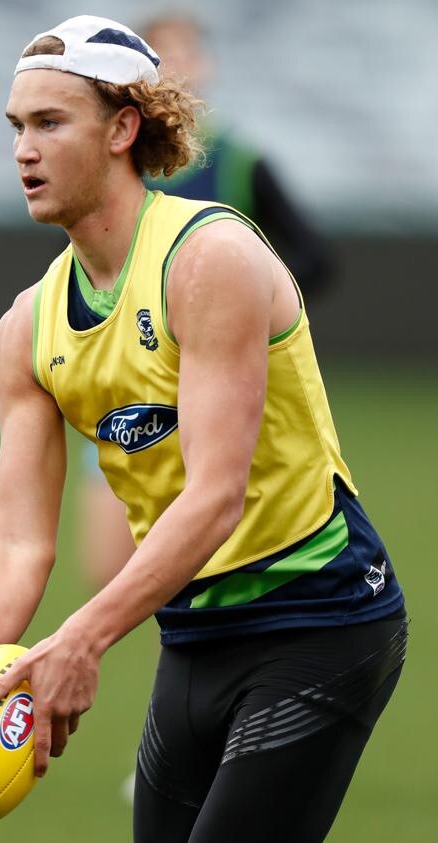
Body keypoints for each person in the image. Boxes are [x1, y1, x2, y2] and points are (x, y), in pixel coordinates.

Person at [0, 16, 406, 843]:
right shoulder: (25, 328)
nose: (23, 150)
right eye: (16, 127)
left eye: (50, 122)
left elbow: (216, 497)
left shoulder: (208, 259)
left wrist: (80, 639)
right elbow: (18, 542)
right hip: (194, 635)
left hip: (319, 617)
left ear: (123, 129)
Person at [80, 12, 334, 592]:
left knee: (207, 560)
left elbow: (314, 258)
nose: (178, 70)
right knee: (110, 570)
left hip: (216, 384)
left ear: (207, 65)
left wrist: (244, 308)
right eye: (160, 58)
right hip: (129, 388)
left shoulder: (240, 165)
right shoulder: (116, 163)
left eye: (185, 55)